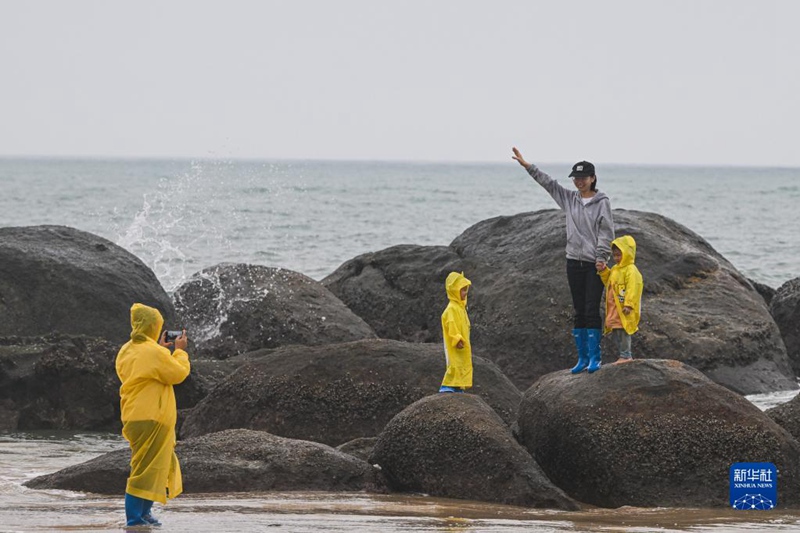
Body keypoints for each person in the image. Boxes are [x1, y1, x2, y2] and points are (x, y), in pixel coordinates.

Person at [512, 147, 615, 374]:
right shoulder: (569, 199)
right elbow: (549, 184)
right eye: (576, 178)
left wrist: (601, 257)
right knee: (578, 310)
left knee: (591, 309)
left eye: (583, 178)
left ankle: (595, 358)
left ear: (592, 178)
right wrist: (528, 166)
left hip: (593, 264)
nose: (578, 182)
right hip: (573, 262)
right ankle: (582, 358)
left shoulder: (602, 202)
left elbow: (607, 232)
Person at [116, 303, 190, 527]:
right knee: (145, 468)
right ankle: (134, 519)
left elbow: (143, 369)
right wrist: (180, 351)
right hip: (153, 417)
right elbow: (178, 373)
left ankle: (144, 513)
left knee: (153, 464)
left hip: (133, 415)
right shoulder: (154, 352)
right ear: (153, 327)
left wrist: (159, 348)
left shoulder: (126, 350)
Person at [598, 235, 643, 363]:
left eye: (620, 255)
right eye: (615, 255)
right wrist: (603, 271)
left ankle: (626, 355)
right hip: (614, 308)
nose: (617, 258)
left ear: (627, 253)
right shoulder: (616, 269)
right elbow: (609, 282)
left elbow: (633, 288)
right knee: (616, 330)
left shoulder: (631, 271)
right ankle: (622, 354)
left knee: (624, 331)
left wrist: (628, 304)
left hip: (624, 309)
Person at [439, 271, 473, 393]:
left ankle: (458, 384)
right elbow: (451, 325)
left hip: (463, 343)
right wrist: (457, 338)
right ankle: (447, 385)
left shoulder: (460, 307)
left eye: (466, 290)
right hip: (455, 343)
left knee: (462, 362)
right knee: (454, 362)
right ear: (454, 290)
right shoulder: (451, 309)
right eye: (462, 290)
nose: (465, 293)